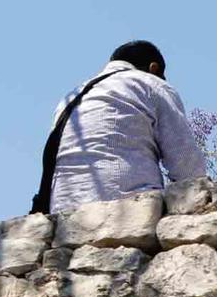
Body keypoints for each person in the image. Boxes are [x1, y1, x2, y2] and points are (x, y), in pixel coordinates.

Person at [38, 40, 208, 213]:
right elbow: (187, 165)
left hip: (63, 212)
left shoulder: (69, 100)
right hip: (127, 210)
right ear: (154, 68)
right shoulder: (149, 83)